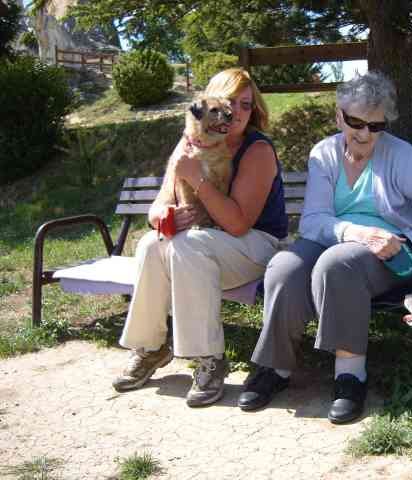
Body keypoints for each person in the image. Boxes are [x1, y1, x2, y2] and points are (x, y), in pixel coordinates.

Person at [237, 71, 412, 423]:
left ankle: (350, 374)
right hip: (338, 239)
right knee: (284, 267)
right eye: (355, 122)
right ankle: (275, 367)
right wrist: (358, 232)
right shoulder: (323, 154)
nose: (365, 133)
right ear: (339, 115)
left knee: (336, 264)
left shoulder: (401, 157)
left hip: (394, 253)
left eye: (376, 125)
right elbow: (313, 222)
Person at [112, 68, 288, 407]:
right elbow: (161, 202)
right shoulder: (189, 142)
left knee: (187, 245)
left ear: (256, 110)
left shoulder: (257, 150)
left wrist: (198, 181)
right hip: (205, 243)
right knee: (151, 243)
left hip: (256, 245)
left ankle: (209, 358)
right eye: (228, 103)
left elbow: (238, 224)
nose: (236, 113)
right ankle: (150, 348)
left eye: (246, 105)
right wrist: (165, 215)